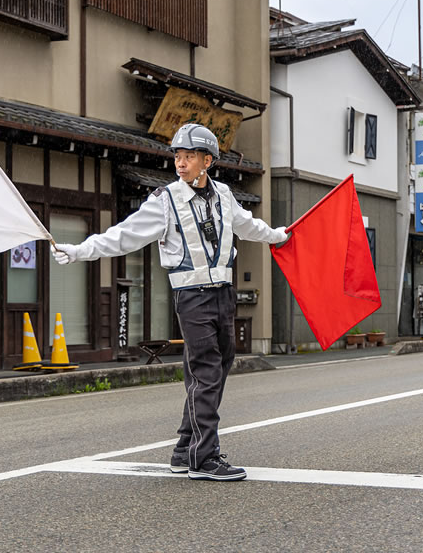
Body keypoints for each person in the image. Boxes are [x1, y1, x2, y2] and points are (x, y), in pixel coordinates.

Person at [50, 123, 288, 481]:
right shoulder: (165, 200)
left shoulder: (224, 194)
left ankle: (184, 449)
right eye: (177, 156)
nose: (180, 163)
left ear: (207, 160)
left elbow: (248, 225)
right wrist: (80, 250)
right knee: (206, 370)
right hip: (191, 298)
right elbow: (124, 236)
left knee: (216, 367)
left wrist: (278, 236)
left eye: (189, 156)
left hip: (223, 294)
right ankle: (204, 458)